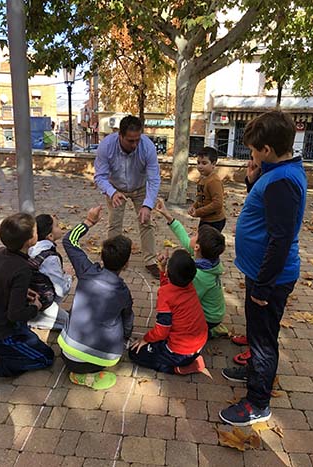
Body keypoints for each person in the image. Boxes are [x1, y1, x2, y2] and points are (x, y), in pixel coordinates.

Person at [219, 111, 307, 426]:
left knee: (263, 338)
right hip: (261, 272)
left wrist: (265, 285)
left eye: (255, 150)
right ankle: (256, 370)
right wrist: (252, 178)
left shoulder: (283, 181)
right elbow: (263, 211)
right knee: (258, 332)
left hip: (270, 276)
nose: (252, 155)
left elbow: (281, 238)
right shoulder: (278, 171)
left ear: (267, 149)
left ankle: (258, 402)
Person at [0, 213, 54, 390]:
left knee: (29, 338)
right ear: (30, 240)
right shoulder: (22, 268)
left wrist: (20, 291)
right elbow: (15, 315)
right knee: (45, 357)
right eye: (34, 230)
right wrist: (35, 307)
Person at [58, 206, 134, 390]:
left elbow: (68, 240)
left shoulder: (86, 270)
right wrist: (125, 338)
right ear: (126, 264)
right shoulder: (123, 292)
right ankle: (87, 376)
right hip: (98, 360)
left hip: (66, 352)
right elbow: (128, 323)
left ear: (101, 256)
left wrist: (89, 222)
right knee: (120, 321)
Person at [94, 115, 161, 278]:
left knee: (146, 223)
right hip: (115, 188)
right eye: (130, 141)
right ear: (120, 136)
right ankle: (113, 262)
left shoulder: (147, 147)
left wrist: (148, 205)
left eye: (137, 139)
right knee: (114, 224)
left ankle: (150, 261)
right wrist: (112, 192)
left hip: (140, 187)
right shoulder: (106, 146)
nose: (135, 144)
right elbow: (100, 177)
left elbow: (154, 178)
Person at [129, 249, 208, 375]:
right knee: (156, 343)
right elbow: (170, 287)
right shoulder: (189, 284)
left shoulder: (165, 294)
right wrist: (162, 269)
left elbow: (162, 331)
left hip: (180, 352)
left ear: (169, 273)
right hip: (199, 344)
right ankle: (190, 359)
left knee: (135, 353)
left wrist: (145, 339)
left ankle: (179, 368)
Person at [155, 198, 226, 337]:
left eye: (195, 234)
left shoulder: (200, 276)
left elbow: (185, 299)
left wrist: (164, 272)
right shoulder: (207, 259)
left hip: (210, 318)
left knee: (178, 319)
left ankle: (207, 331)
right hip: (214, 312)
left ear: (197, 247)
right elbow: (182, 236)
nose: (191, 234)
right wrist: (166, 214)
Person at [28, 214, 72, 330]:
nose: (60, 227)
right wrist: (68, 276)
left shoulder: (30, 247)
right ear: (50, 236)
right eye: (57, 226)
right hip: (42, 303)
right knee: (72, 325)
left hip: (28, 296)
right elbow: (62, 290)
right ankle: (36, 319)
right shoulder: (51, 258)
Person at [188, 146, 226, 232]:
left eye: (204, 163)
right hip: (205, 219)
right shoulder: (203, 179)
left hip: (215, 221)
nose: (200, 166)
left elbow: (217, 203)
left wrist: (198, 212)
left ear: (213, 164)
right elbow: (201, 198)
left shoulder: (214, 181)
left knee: (208, 244)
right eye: (198, 163)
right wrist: (194, 207)